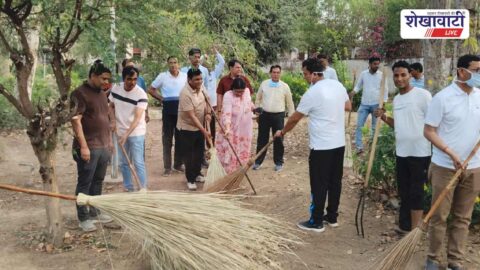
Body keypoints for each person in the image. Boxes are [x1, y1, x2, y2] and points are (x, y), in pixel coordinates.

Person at [274, 58, 351, 232]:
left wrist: (283, 132)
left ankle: (316, 221)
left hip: (321, 146)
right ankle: (332, 217)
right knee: (334, 182)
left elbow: (294, 118)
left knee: (319, 183)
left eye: (305, 74)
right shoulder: (337, 86)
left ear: (315, 74)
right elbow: (348, 106)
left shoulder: (313, 92)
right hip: (338, 144)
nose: (305, 77)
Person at [423, 54, 480, 270]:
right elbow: (428, 131)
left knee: (463, 218)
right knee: (439, 216)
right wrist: (451, 153)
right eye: (477, 70)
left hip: (474, 167)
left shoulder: (479, 96)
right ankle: (433, 259)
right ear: (461, 71)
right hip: (445, 167)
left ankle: (455, 260)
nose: (479, 74)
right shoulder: (443, 98)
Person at [374, 61, 432, 235]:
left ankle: (414, 232)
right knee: (404, 192)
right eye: (396, 75)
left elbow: (433, 123)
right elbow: (398, 125)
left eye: (403, 75)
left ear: (410, 75)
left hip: (420, 152)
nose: (399, 78)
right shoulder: (397, 99)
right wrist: (384, 117)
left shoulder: (423, 95)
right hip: (402, 152)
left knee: (416, 193)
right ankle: (404, 226)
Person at [70, 60, 114, 232]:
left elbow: (105, 117)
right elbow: (76, 121)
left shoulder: (102, 93)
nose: (106, 82)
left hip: (103, 146)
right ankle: (83, 218)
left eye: (108, 79)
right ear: (93, 76)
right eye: (103, 79)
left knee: (98, 181)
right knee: (85, 183)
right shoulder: (79, 94)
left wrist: (109, 141)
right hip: (89, 147)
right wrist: (84, 146)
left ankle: (95, 212)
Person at [109, 66, 148, 192]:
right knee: (124, 162)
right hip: (120, 130)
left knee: (138, 162)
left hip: (136, 132)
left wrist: (126, 135)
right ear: (123, 78)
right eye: (129, 79)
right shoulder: (116, 88)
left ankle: (142, 188)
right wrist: (113, 121)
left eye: (135, 79)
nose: (132, 82)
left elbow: (137, 119)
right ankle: (128, 187)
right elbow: (111, 105)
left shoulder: (141, 94)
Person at [148, 56, 187, 176]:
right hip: (168, 111)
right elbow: (151, 89)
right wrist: (161, 98)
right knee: (167, 139)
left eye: (175, 62)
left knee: (180, 138)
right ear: (167, 64)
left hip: (181, 110)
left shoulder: (185, 76)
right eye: (170, 63)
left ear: (178, 64)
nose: (173, 65)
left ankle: (178, 164)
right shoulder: (162, 76)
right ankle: (167, 167)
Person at [253, 65, 295, 172]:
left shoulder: (285, 86)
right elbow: (258, 98)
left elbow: (290, 103)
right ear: (270, 73)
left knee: (278, 139)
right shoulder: (264, 84)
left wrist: (292, 117)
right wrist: (257, 112)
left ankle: (278, 162)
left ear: (280, 74)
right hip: (264, 115)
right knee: (262, 139)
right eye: (274, 72)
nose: (276, 74)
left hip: (278, 115)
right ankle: (258, 162)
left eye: (278, 72)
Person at [177, 68, 212, 191]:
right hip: (187, 128)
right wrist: (204, 131)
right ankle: (190, 179)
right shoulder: (184, 93)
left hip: (200, 126)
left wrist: (208, 113)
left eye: (201, 79)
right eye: (196, 79)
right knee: (189, 155)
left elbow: (208, 100)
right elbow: (191, 116)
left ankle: (197, 174)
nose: (199, 81)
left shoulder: (202, 87)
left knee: (199, 152)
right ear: (189, 80)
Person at [216, 77, 255, 174]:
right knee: (231, 151)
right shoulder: (228, 95)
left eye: (241, 91)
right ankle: (229, 173)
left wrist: (255, 109)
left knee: (243, 150)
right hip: (231, 128)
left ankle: (239, 172)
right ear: (232, 88)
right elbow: (227, 113)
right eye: (237, 91)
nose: (239, 94)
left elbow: (249, 104)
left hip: (245, 129)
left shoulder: (246, 92)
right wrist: (227, 129)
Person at [349, 56, 388, 153]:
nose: (377, 66)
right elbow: (358, 86)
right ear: (370, 64)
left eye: (378, 64)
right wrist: (353, 92)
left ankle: (372, 146)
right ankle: (359, 147)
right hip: (364, 104)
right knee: (359, 126)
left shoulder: (381, 75)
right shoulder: (363, 74)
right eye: (375, 64)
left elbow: (385, 90)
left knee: (374, 127)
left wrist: (384, 104)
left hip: (376, 105)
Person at [202, 47, 225, 141]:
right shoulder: (199, 73)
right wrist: (204, 55)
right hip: (200, 104)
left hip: (212, 105)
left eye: (209, 65)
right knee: (200, 125)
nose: (208, 66)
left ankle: (211, 146)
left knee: (211, 125)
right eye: (205, 64)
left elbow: (222, 63)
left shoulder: (214, 74)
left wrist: (216, 53)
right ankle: (202, 147)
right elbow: (198, 62)